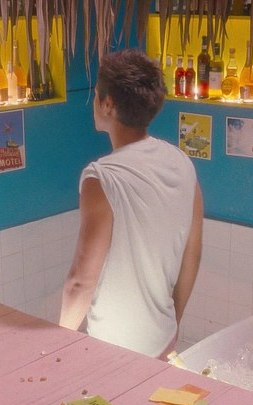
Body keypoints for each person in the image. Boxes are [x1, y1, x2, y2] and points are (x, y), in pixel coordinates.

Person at [59, 49, 204, 358]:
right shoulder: (181, 162)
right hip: (162, 339)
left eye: (96, 96)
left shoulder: (102, 177)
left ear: (108, 104)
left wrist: (58, 346)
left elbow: (81, 282)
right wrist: (173, 320)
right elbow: (192, 253)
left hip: (115, 347)